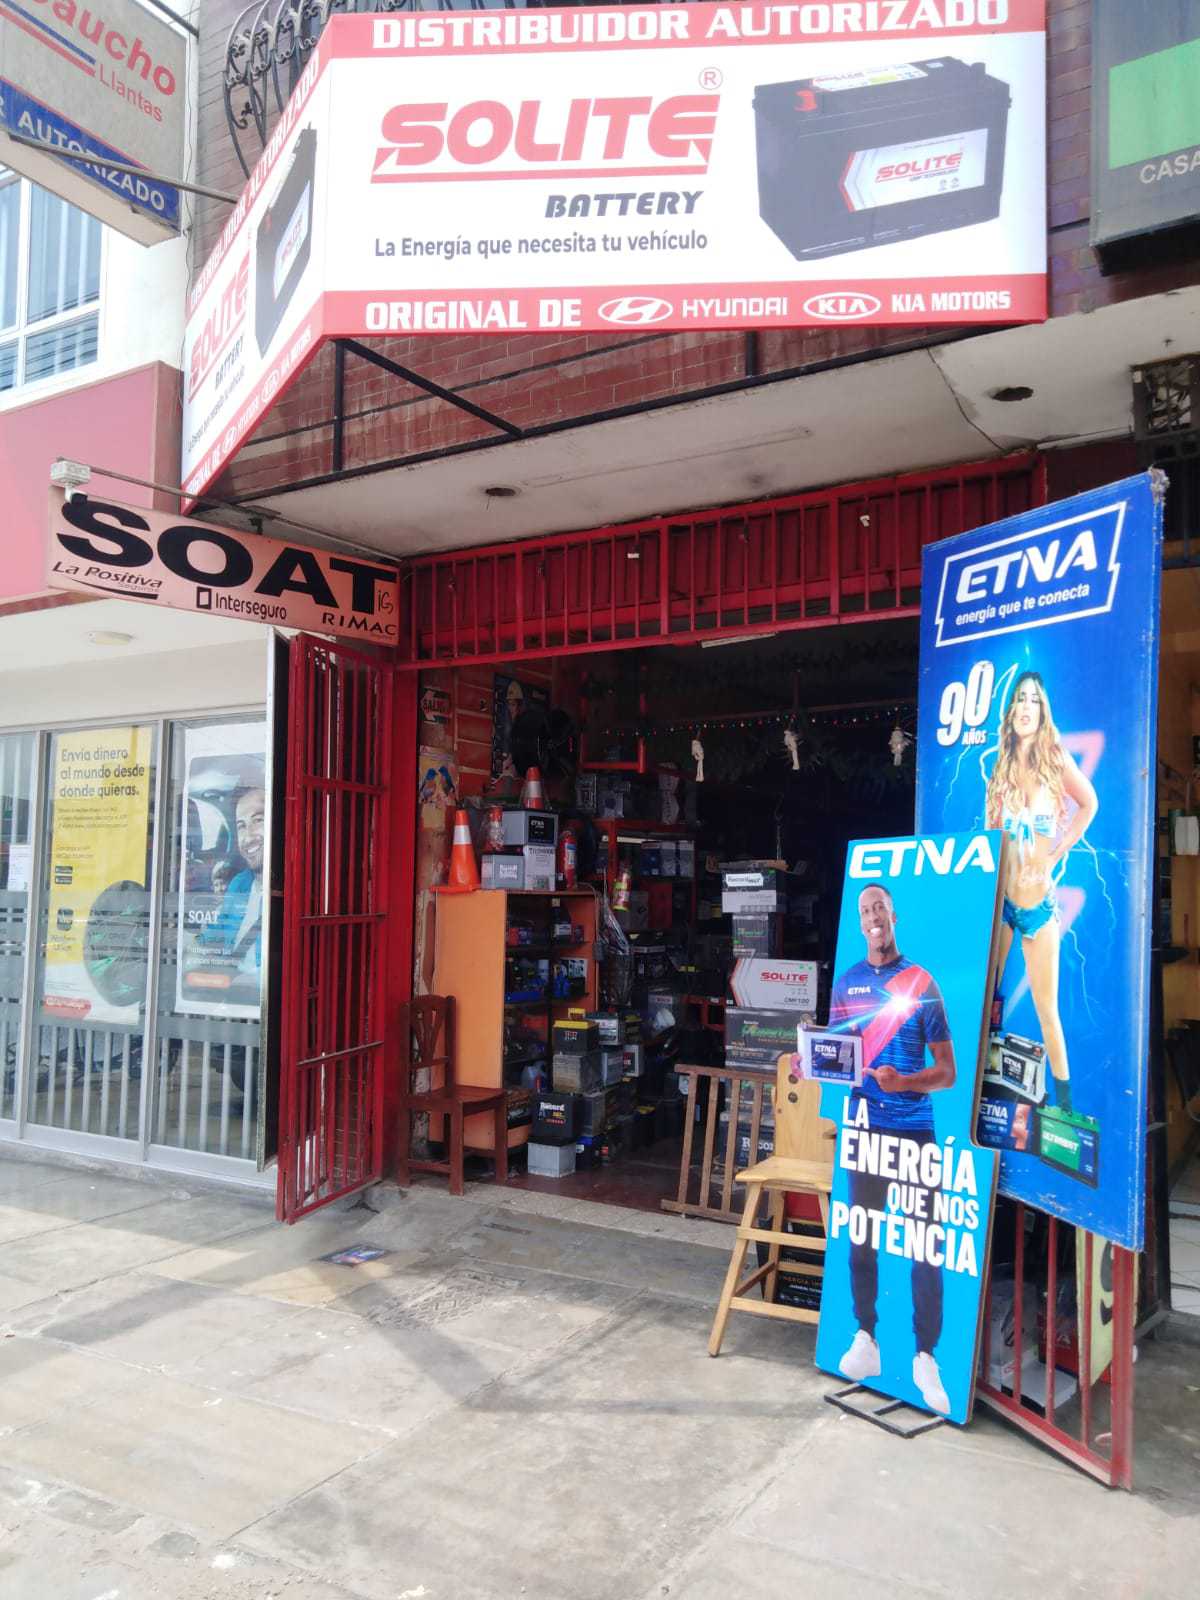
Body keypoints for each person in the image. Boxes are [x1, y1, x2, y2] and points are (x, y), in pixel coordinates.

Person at [831, 881, 957, 1415]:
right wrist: (810, 1060)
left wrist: (903, 1083)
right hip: (865, 1130)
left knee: (926, 1245)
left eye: (879, 906)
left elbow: (948, 1073)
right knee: (862, 1237)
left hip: (914, 1130)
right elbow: (836, 1058)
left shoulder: (922, 982)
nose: (873, 916)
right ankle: (867, 1337)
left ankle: (926, 1355)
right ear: (860, 923)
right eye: (865, 910)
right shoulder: (847, 983)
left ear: (894, 915)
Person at [985, 671, 1097, 1115]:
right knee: (989, 998)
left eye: (1034, 699)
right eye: (1020, 699)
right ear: (1011, 710)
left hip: (1037, 906)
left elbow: (1089, 803)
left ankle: (1065, 1110)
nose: (1026, 706)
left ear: (1042, 709)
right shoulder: (1001, 767)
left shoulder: (1055, 760)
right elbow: (990, 834)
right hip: (1002, 902)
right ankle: (983, 1086)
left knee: (1047, 1010)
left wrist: (1060, 848)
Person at [198, 787, 265, 987]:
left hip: (258, 992)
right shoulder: (239, 884)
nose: (248, 836)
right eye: (241, 826)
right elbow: (217, 931)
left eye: (258, 820)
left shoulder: (293, 892)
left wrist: (249, 981)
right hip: (229, 984)